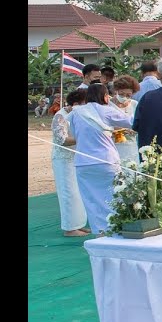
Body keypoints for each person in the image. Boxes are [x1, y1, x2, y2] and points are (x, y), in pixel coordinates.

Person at [69, 84, 135, 235]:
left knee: (91, 200)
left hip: (83, 163)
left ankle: (100, 232)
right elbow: (131, 122)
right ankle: (116, 229)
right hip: (106, 161)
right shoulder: (106, 110)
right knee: (114, 196)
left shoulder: (76, 112)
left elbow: (75, 134)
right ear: (105, 96)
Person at [52, 88, 90, 237]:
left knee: (79, 192)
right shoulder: (60, 116)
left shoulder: (79, 115)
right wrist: (84, 138)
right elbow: (62, 140)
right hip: (64, 160)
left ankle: (79, 224)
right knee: (68, 192)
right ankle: (70, 228)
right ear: (75, 103)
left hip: (77, 158)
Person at [110, 75, 141, 170]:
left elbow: (139, 122)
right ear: (116, 91)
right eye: (122, 94)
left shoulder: (135, 104)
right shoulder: (108, 105)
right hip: (114, 145)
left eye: (128, 95)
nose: (125, 97)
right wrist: (121, 130)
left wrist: (135, 130)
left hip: (131, 146)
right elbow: (103, 125)